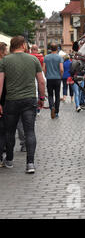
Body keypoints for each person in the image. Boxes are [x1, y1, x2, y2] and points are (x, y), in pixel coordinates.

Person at [0, 36, 46, 173]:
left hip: (11, 100)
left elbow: (0, 84)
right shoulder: (33, 59)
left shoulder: (5, 61)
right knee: (30, 131)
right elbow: (41, 81)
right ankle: (30, 164)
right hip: (29, 100)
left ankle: (9, 159)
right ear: (23, 45)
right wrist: (42, 98)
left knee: (9, 131)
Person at [43, 43, 64, 119]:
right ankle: (57, 112)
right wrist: (61, 76)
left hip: (49, 78)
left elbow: (43, 68)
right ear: (57, 48)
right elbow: (61, 69)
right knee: (57, 95)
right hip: (57, 78)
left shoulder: (46, 57)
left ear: (50, 49)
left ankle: (52, 107)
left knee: (50, 95)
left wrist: (46, 75)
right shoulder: (59, 57)